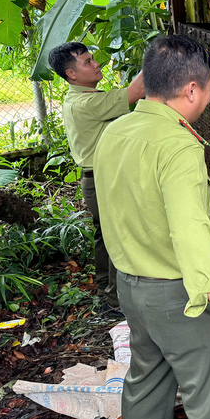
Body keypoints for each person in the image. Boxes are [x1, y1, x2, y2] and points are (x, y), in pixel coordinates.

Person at [93, 35, 210, 419]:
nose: (206, 98)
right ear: (191, 90)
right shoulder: (179, 146)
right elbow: (192, 241)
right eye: (207, 90)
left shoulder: (115, 132)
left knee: (146, 379)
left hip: (130, 287)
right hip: (175, 293)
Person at [49, 43, 144, 312]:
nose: (95, 64)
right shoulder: (87, 103)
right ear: (72, 74)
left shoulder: (81, 98)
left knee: (106, 237)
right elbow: (136, 91)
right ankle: (114, 302)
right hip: (102, 180)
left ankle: (105, 288)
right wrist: (159, 54)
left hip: (96, 179)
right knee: (118, 239)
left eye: (93, 59)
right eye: (87, 62)